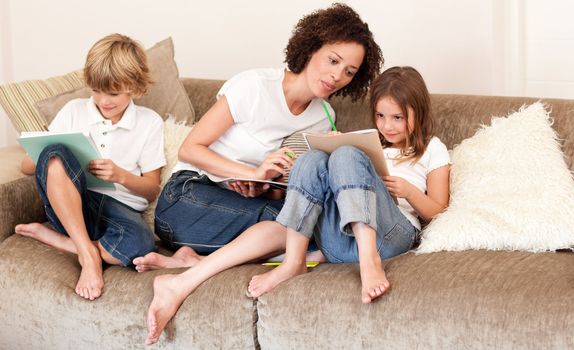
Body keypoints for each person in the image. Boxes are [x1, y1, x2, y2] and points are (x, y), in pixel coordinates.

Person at [141, 3, 383, 345]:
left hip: (239, 206)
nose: (337, 76)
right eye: (333, 60)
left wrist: (263, 186)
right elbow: (190, 149)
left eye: (349, 71)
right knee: (297, 227)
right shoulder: (253, 86)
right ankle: (177, 283)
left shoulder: (323, 117)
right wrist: (249, 171)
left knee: (310, 224)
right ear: (311, 47)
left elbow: (290, 190)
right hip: (187, 198)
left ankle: (190, 260)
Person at [247, 66, 450, 303]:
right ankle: (294, 261)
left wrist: (409, 192)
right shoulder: (368, 143)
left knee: (347, 154)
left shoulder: (431, 148)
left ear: (420, 113)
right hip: (340, 242)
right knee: (315, 157)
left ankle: (369, 262)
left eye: (398, 118)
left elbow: (439, 212)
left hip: (392, 236)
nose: (387, 126)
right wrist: (328, 150)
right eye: (380, 116)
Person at [15, 33, 165, 301]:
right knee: (55, 153)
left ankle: (64, 242)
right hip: (72, 205)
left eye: (113, 93)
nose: (104, 101)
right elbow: (27, 166)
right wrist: (55, 153)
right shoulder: (74, 111)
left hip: (119, 211)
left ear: (135, 86)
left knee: (142, 245)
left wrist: (121, 175)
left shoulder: (149, 122)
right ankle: (88, 255)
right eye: (96, 91)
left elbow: (152, 190)